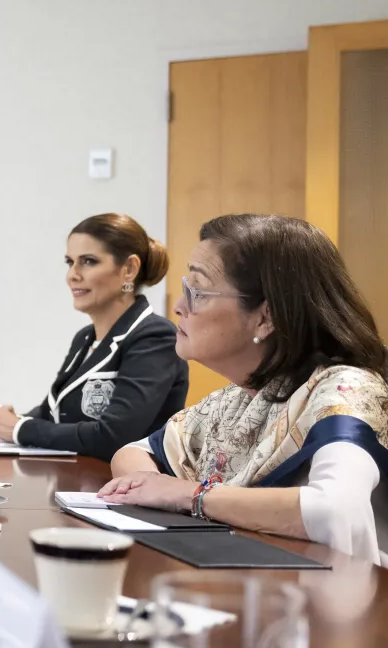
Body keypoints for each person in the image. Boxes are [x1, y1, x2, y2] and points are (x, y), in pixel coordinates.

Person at [100, 214, 388, 566]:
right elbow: (134, 451)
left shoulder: (346, 391)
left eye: (197, 292)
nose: (178, 306)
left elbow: (335, 510)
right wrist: (148, 487)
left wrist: (191, 496)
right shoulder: (241, 398)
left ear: (266, 317)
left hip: (338, 603)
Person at [0, 214, 188, 461]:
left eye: (88, 261)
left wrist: (20, 428)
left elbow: (114, 436)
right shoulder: (85, 338)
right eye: (70, 262)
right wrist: (10, 422)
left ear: (129, 270)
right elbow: (54, 413)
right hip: (77, 482)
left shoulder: (155, 337)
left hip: (124, 488)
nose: (73, 275)